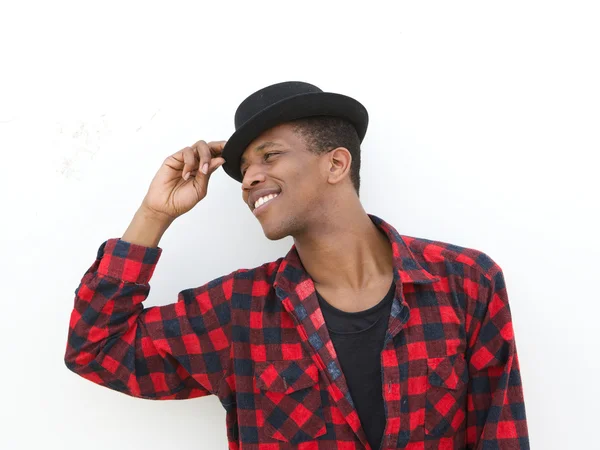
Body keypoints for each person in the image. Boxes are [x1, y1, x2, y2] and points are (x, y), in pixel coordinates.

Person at [64, 81, 529, 449]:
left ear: (336, 164)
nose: (249, 178)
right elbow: (96, 348)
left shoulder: (467, 283)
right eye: (244, 168)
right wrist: (154, 214)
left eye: (270, 156)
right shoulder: (238, 311)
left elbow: (500, 436)